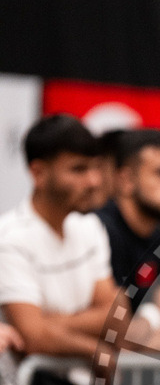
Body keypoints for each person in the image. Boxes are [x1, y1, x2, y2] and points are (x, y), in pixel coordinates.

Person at [0, 114, 123, 363]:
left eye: (96, 167)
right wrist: (95, 350)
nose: (94, 181)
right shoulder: (9, 238)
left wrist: (49, 325)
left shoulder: (90, 226)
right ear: (38, 173)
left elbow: (117, 318)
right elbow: (33, 337)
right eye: (79, 169)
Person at [97, 129, 160, 354]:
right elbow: (106, 329)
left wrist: (140, 330)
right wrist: (153, 318)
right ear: (126, 179)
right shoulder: (97, 231)